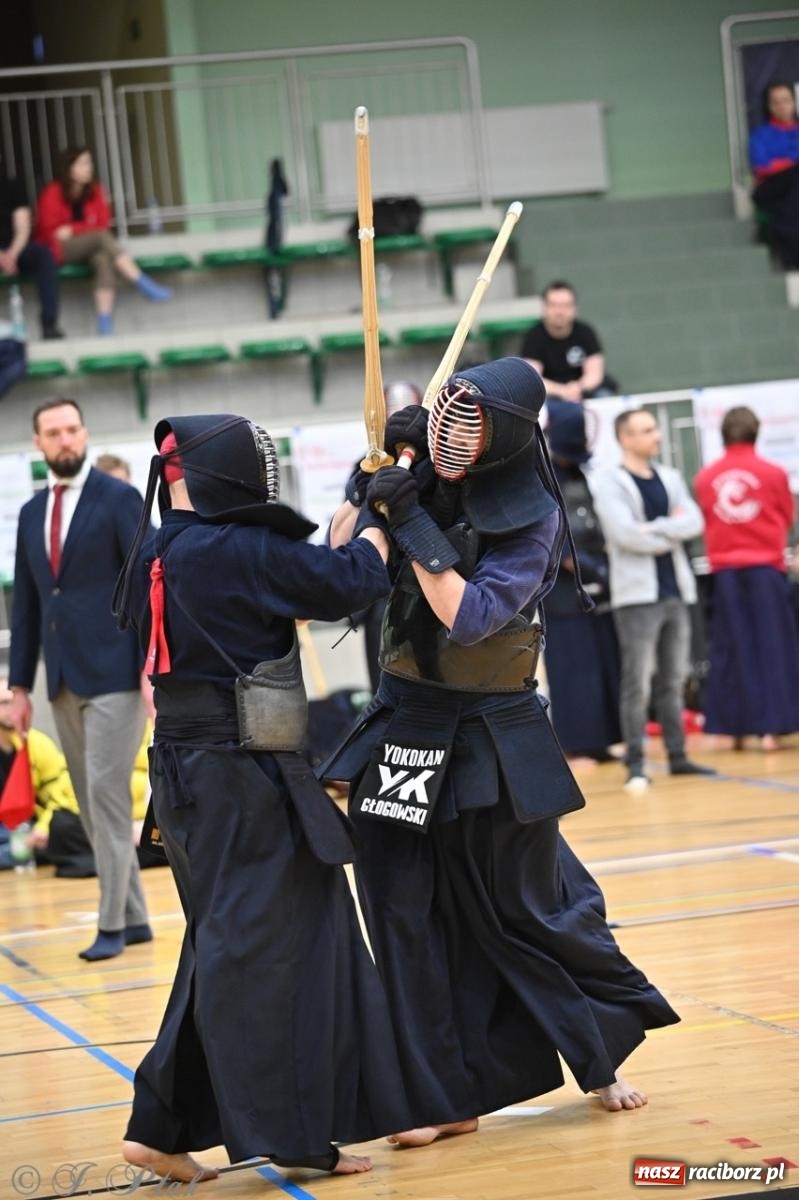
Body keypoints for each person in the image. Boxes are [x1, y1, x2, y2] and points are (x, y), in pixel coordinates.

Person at [324, 358, 679, 1147]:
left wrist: (411, 525)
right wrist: (368, 484)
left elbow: (472, 616)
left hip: (492, 730)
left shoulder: (532, 516)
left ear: (505, 434)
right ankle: (439, 1094)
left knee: (526, 908)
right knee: (399, 908)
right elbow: (341, 565)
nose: (449, 431)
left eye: (467, 421)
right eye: (445, 414)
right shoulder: (418, 476)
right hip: (406, 725)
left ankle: (599, 1056)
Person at [112, 413, 420, 1181]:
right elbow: (348, 579)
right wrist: (384, 520)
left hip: (188, 775)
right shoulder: (239, 548)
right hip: (239, 774)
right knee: (269, 951)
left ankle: (162, 1124)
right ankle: (291, 1136)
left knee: (229, 941)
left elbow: (305, 569)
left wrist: (361, 501)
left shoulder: (164, 546)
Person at [7, 398, 152, 960]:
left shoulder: (120, 500)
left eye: (72, 429)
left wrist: (151, 668)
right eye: (53, 432)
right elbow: (27, 607)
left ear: (85, 433)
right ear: (39, 443)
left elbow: (145, 588)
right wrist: (19, 688)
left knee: (106, 795)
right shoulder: (29, 513)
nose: (65, 439)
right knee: (91, 806)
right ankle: (137, 918)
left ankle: (111, 922)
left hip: (118, 674)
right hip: (61, 678)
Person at [591, 409, 716, 792]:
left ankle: (678, 756)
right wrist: (669, 530)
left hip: (675, 591)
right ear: (625, 438)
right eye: (646, 431)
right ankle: (637, 764)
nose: (655, 437)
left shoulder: (672, 478)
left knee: (674, 679)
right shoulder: (608, 482)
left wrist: (656, 528)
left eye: (654, 429)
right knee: (637, 683)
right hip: (637, 598)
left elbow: (694, 521)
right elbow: (627, 535)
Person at [694, 405, 799, 751]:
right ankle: (772, 728)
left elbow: (708, 517)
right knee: (772, 648)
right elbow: (785, 516)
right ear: (756, 433)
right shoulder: (774, 473)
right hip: (765, 569)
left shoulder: (706, 477)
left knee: (730, 648)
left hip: (724, 573)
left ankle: (733, 727)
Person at [543, 398, 622, 761]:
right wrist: (578, 562)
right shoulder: (540, 475)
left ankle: (603, 737)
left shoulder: (578, 472)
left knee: (602, 662)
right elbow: (547, 533)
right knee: (573, 665)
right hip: (561, 585)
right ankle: (577, 741)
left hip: (596, 579)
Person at [34, 146, 171, 336]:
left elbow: (103, 225)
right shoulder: (52, 192)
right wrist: (84, 229)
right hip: (59, 249)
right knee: (100, 238)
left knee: (102, 258)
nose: (89, 168)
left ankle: (104, 321)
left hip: (90, 245)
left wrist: (72, 229)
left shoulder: (96, 190)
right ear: (69, 168)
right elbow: (49, 231)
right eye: (83, 163)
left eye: (89, 163)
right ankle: (141, 281)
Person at [520, 280, 618, 403]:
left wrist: (577, 388)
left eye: (566, 305)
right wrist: (562, 391)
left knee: (605, 397)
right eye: (553, 305)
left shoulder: (585, 332)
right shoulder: (533, 336)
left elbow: (595, 373)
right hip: (550, 394)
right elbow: (534, 379)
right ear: (544, 307)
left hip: (584, 391)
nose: (560, 312)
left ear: (575, 308)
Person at [0, 169, 63, 339]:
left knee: (43, 255)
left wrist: (11, 254)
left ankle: (49, 324)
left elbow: (23, 227)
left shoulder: (12, 185)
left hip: (14, 248)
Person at [748, 82, 799, 269]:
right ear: (769, 106)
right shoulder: (761, 135)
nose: (782, 106)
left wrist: (783, 162)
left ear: (794, 102)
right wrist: (792, 164)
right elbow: (762, 167)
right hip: (769, 188)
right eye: (775, 102)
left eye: (786, 100)